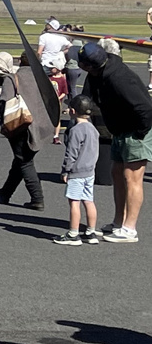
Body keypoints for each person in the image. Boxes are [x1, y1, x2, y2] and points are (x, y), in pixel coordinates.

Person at [79, 41, 152, 244]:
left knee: (132, 177)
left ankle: (130, 229)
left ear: (89, 65)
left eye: (81, 62)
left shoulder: (120, 78)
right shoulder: (96, 74)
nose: (78, 64)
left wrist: (139, 133)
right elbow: (89, 97)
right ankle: (118, 222)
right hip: (120, 130)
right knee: (117, 174)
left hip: (137, 130)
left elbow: (145, 109)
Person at [0, 51, 54, 210]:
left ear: (20, 61)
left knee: (24, 161)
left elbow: (5, 100)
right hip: (43, 125)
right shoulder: (43, 79)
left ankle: (37, 198)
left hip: (22, 124)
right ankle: (5, 192)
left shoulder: (13, 77)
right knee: (21, 159)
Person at [54, 95, 100, 245]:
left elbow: (71, 153)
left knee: (74, 202)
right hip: (90, 171)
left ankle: (73, 233)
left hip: (77, 172)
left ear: (73, 111)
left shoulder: (76, 130)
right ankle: (91, 231)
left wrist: (65, 170)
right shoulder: (93, 129)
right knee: (89, 200)